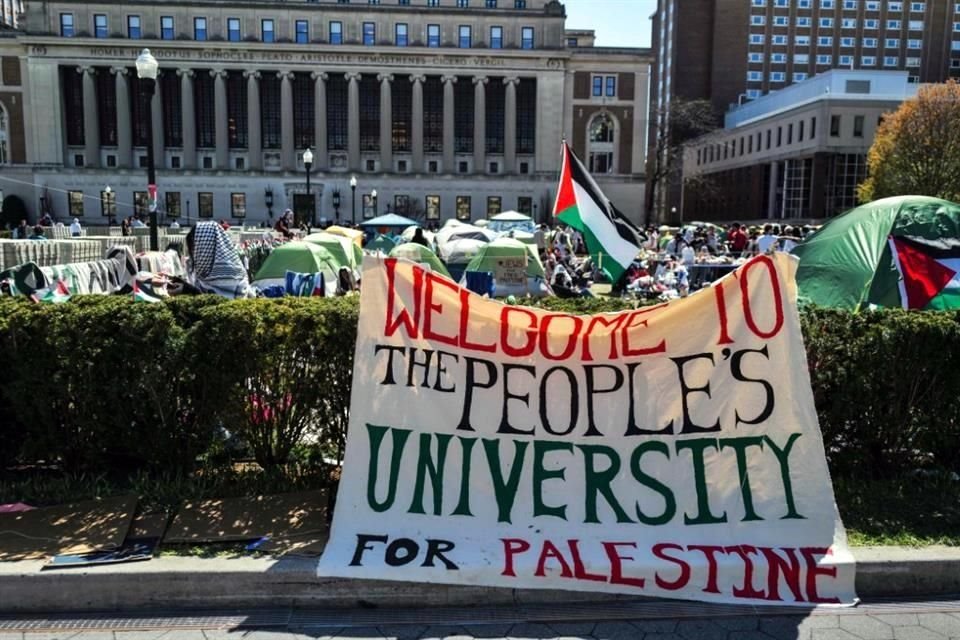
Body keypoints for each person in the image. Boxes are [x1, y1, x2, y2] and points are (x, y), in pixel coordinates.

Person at [182, 221, 255, 299]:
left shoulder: (227, 275)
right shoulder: (207, 273)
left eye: (195, 249)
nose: (194, 255)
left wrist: (186, 290)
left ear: (205, 247)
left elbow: (216, 301)